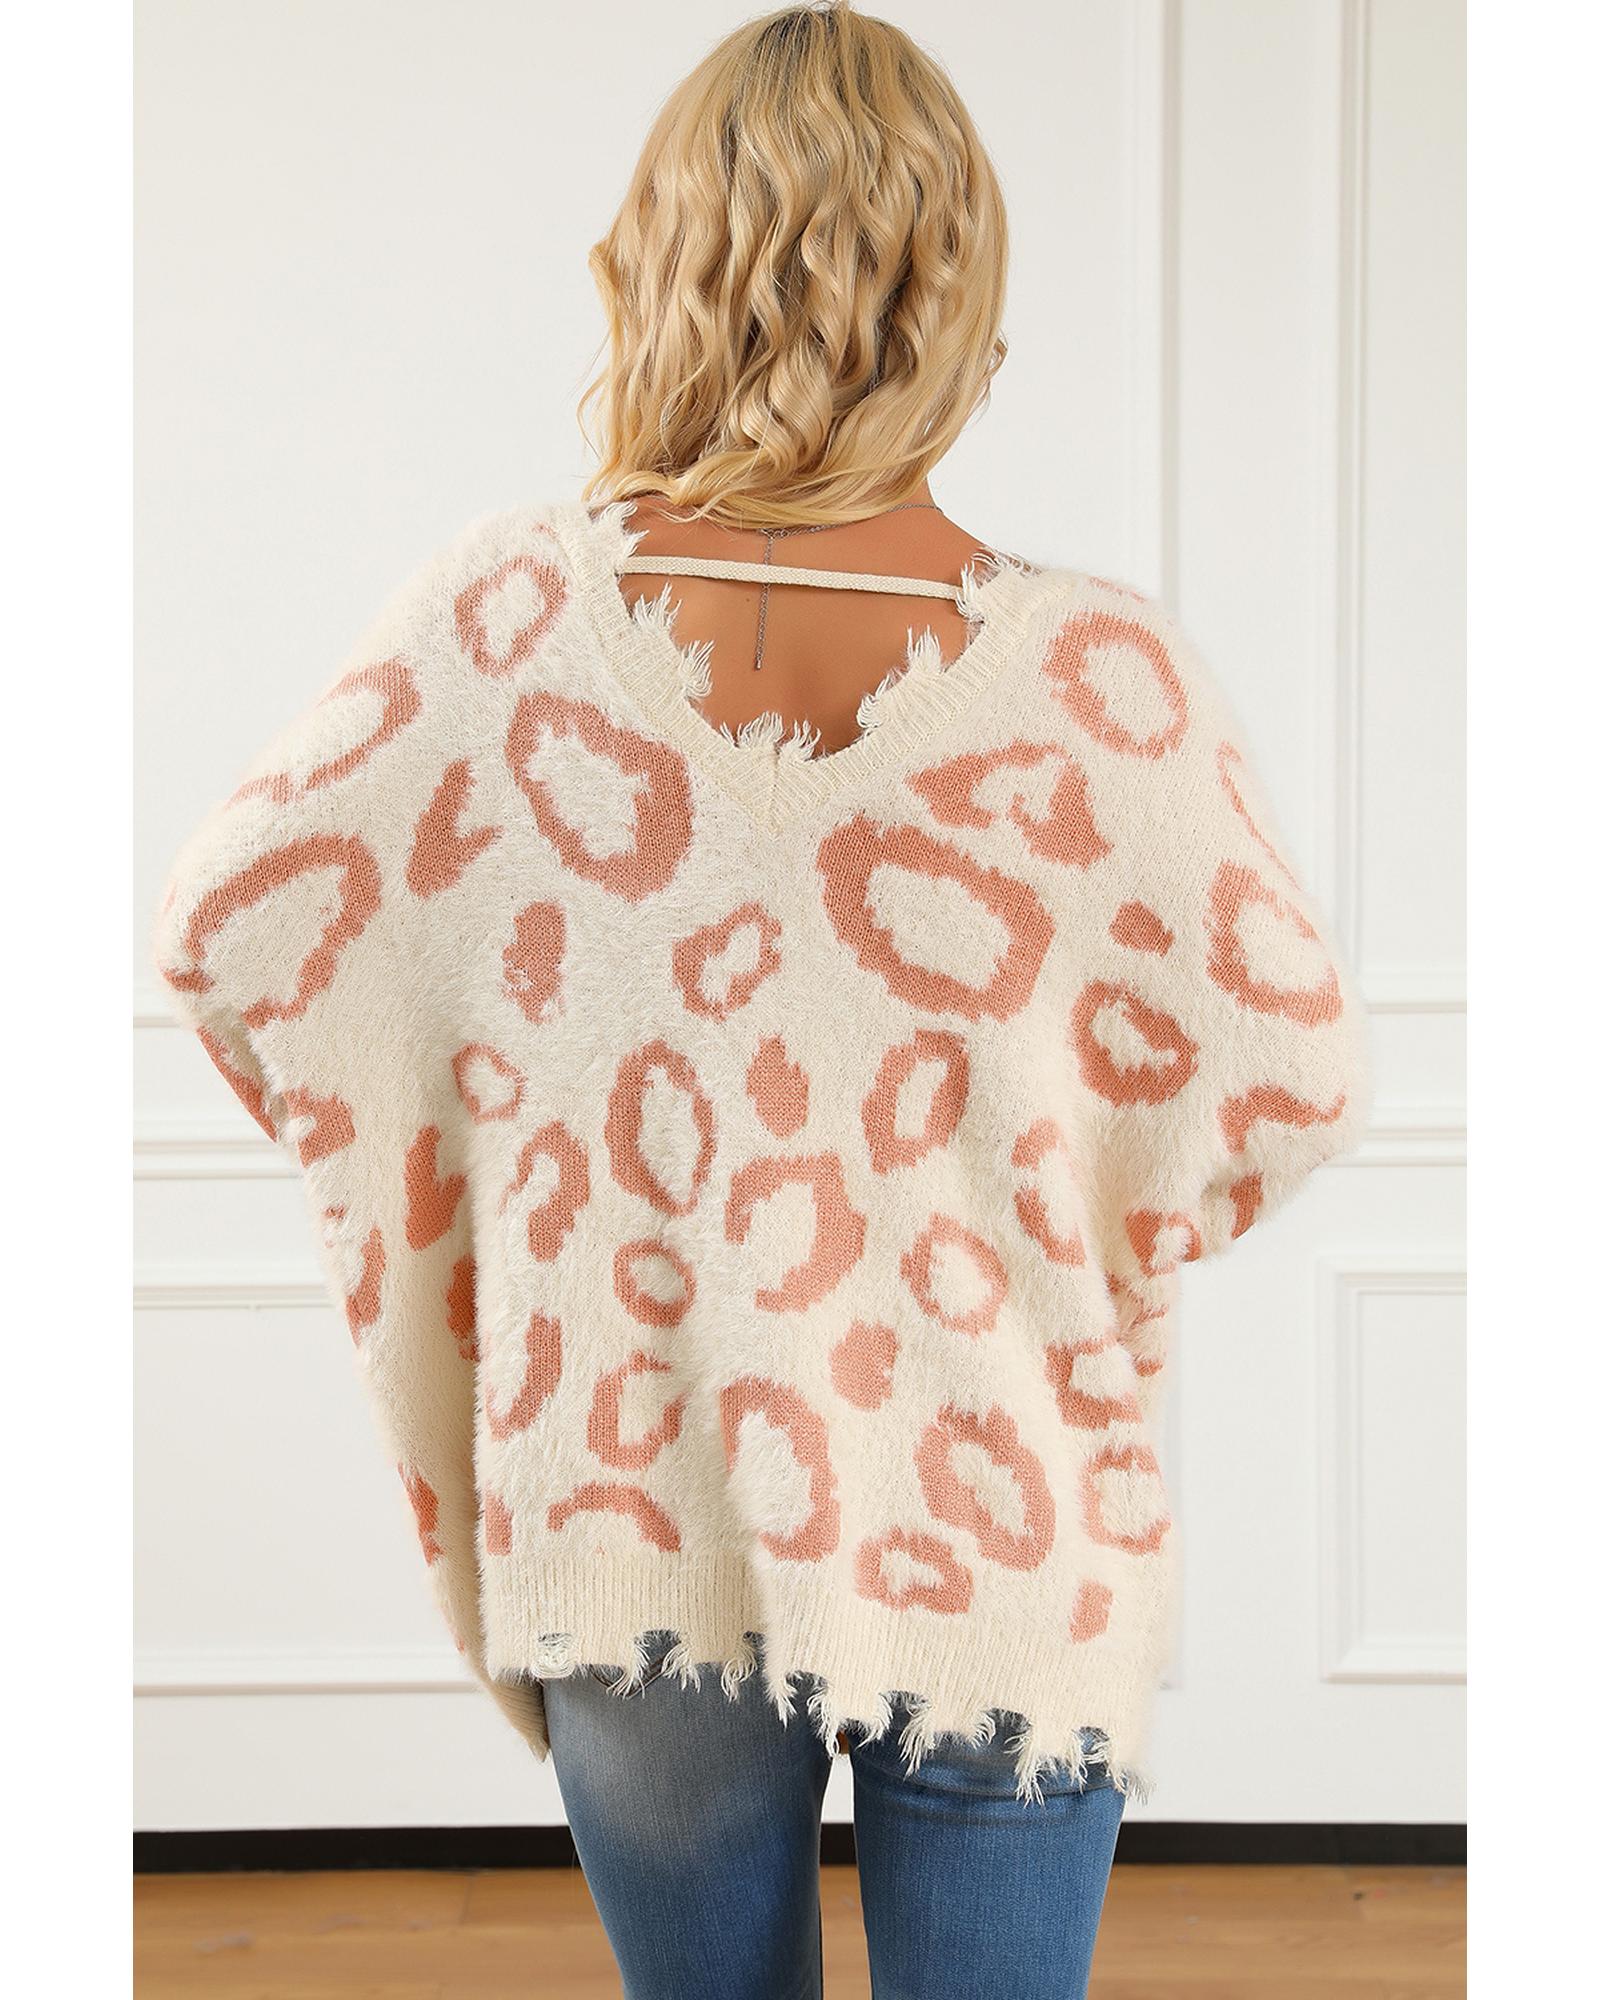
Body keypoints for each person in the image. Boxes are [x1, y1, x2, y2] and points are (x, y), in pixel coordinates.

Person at [151, 6, 1370, 1995]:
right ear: (956, 297)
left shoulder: (495, 628)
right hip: (1008, 1525)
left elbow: (235, 935)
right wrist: (1037, 1223)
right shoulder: (1110, 688)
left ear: (654, 266)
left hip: (632, 1513)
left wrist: (497, 1149)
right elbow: (1287, 1074)